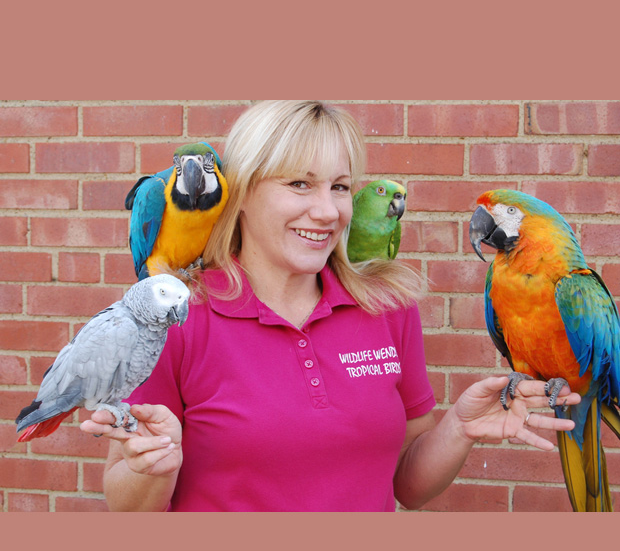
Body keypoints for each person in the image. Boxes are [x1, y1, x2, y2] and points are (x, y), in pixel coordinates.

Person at [81, 100, 579, 512]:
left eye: (340, 187)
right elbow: (128, 507)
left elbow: (407, 486)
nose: (327, 211)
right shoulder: (175, 318)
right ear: (244, 194)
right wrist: (152, 467)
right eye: (299, 184)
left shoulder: (386, 306)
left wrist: (460, 429)